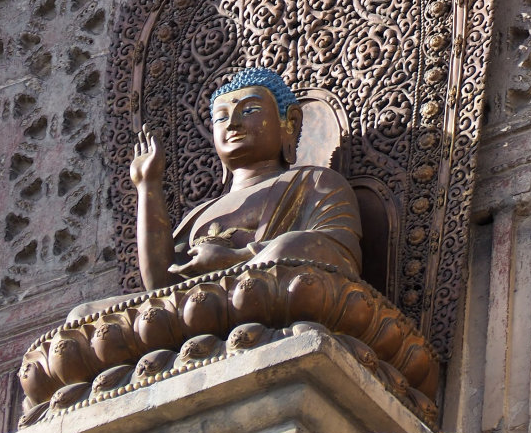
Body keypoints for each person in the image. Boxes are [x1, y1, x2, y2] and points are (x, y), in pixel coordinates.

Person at [130, 67, 363, 289]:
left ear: (290, 123)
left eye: (249, 110)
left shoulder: (314, 182)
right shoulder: (198, 215)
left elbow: (340, 252)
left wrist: (236, 258)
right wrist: (148, 187)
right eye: (221, 118)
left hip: (280, 293)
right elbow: (160, 284)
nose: (232, 123)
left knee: (289, 246)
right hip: (203, 305)